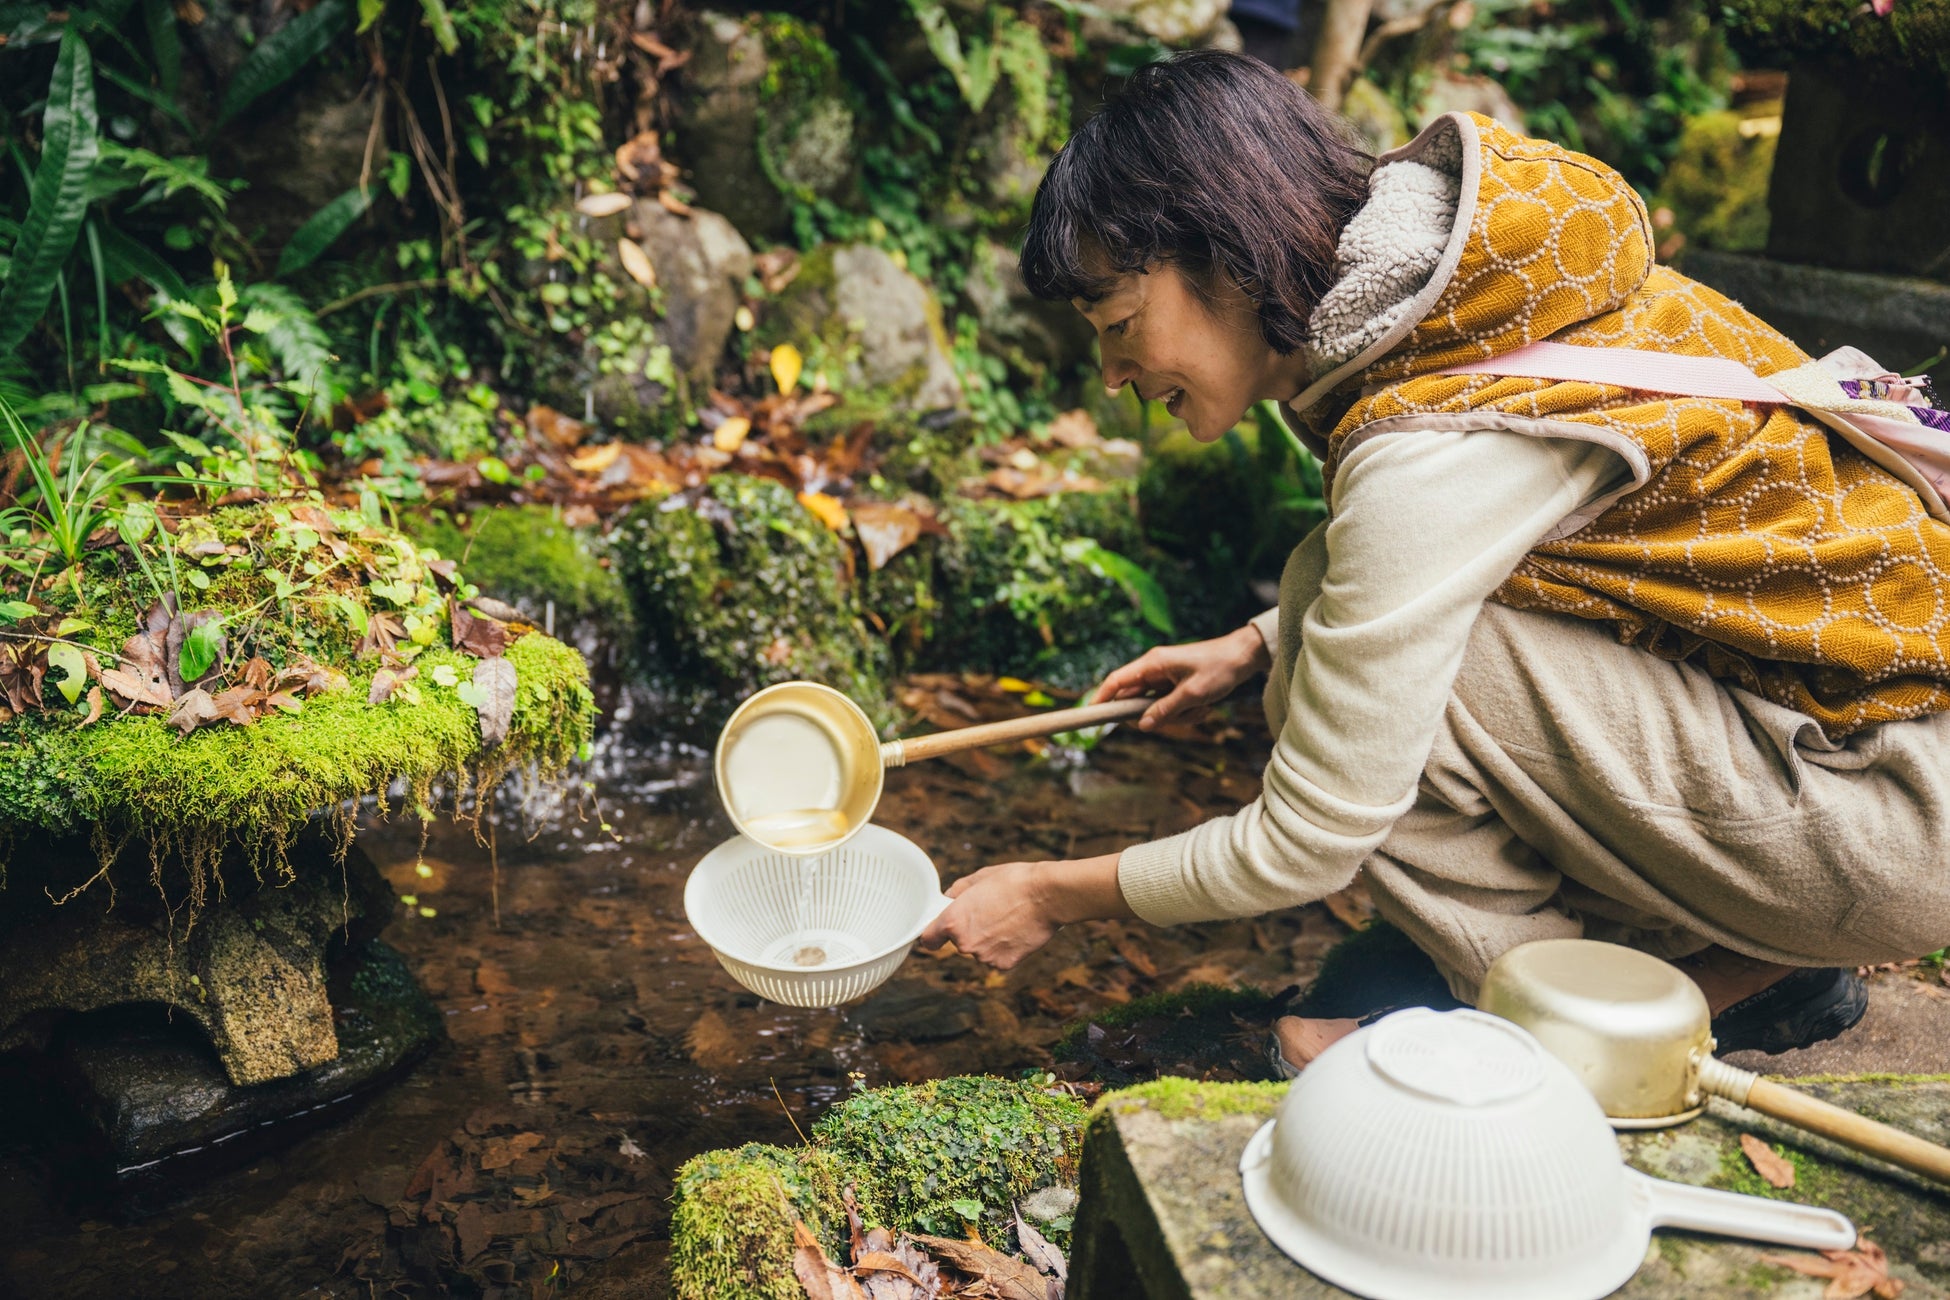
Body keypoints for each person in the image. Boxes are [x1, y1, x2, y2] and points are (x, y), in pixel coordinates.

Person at [917, 50, 1950, 1075]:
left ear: (1221, 254)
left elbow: (1309, 838)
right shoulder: (1468, 284)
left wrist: (1052, 891)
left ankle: (1568, 1031)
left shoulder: (1425, 448)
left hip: (1896, 816)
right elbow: (1495, 543)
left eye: (1120, 325)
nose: (1112, 374)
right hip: (1881, 746)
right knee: (1317, 622)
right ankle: (1732, 966)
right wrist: (1250, 642)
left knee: (1337, 684)